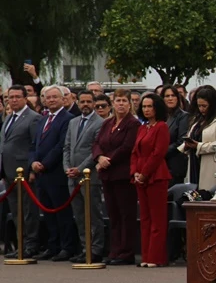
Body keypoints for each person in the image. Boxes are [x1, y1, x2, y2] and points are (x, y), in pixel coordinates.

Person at [93, 89, 141, 265]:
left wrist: (109, 159)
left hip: (122, 173)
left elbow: (127, 147)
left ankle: (126, 252)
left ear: (129, 104)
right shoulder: (108, 123)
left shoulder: (133, 124)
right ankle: (115, 250)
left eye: (124, 101)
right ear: (113, 103)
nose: (120, 104)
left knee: (125, 214)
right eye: (118, 100)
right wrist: (99, 157)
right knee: (113, 214)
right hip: (107, 174)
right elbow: (97, 142)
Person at [28, 85, 76, 261]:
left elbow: (61, 145)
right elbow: (34, 145)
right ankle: (53, 245)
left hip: (56, 173)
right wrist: (33, 162)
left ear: (63, 99)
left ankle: (67, 246)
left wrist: (45, 164)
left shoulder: (68, 119)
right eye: (48, 98)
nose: (51, 100)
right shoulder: (43, 120)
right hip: (41, 175)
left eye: (55, 97)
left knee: (62, 212)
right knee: (48, 213)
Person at [63, 90, 106, 262]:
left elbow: (95, 150)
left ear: (94, 103)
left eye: (89, 101)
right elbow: (67, 147)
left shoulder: (101, 123)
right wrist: (67, 167)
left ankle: (96, 249)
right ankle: (84, 247)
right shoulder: (73, 122)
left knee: (93, 215)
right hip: (72, 177)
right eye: (82, 101)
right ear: (78, 102)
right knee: (79, 215)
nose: (85, 105)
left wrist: (80, 169)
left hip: (90, 176)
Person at [1, 85, 42, 259]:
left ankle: (30, 244)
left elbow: (36, 144)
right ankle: (20, 244)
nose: (14, 100)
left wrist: (32, 168)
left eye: (18, 96)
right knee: (15, 210)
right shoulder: (9, 118)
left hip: (24, 172)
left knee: (28, 210)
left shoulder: (33, 118)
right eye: (11, 97)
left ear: (25, 98)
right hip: (9, 172)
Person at [132, 94, 171, 267]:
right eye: (145, 106)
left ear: (157, 108)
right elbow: (135, 152)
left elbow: (158, 153)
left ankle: (156, 257)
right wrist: (134, 172)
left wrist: (144, 173)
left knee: (158, 218)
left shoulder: (161, 127)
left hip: (156, 176)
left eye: (150, 106)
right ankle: (146, 256)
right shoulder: (142, 128)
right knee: (145, 218)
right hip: (140, 176)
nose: (147, 110)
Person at [179, 86, 216, 193]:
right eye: (199, 106)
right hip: (194, 162)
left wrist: (199, 146)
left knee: (206, 192)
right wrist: (186, 145)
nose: (201, 109)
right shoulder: (197, 120)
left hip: (210, 163)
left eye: (204, 106)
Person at [163, 86, 190, 185]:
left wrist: (161, 152)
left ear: (178, 98)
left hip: (175, 163)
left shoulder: (183, 116)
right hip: (161, 164)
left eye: (173, 95)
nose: (170, 98)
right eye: (167, 96)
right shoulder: (162, 117)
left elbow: (181, 141)